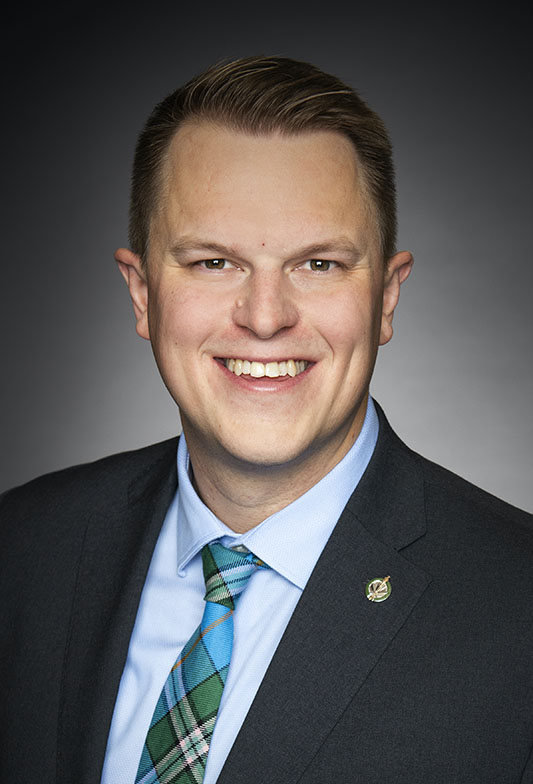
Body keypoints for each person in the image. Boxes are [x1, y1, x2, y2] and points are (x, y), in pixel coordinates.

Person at [1, 56, 532, 784]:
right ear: (142, 293)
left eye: (318, 264)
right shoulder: (22, 550)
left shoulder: (517, 609)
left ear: (385, 297)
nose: (264, 317)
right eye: (213, 262)